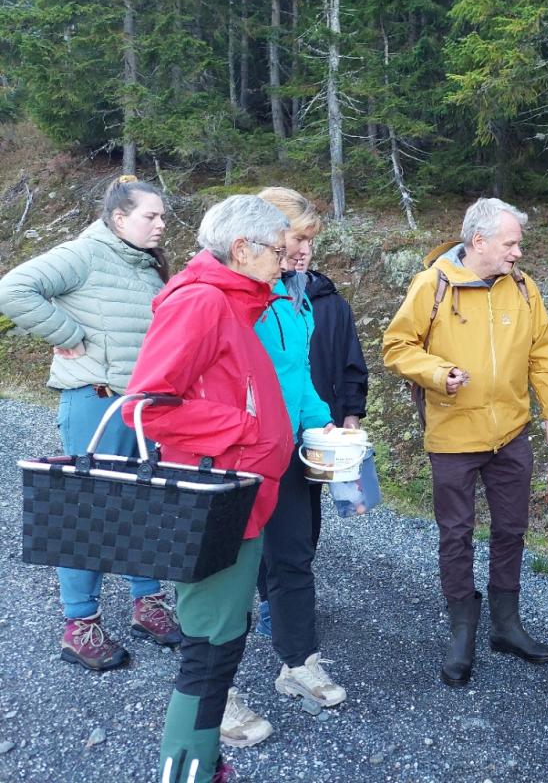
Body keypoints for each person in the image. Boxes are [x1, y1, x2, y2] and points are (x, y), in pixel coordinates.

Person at [124, 195, 295, 783]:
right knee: (211, 640)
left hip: (238, 494)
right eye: (278, 249)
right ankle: (188, 767)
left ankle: (203, 760)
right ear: (242, 249)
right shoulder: (200, 302)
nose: (288, 260)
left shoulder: (233, 304)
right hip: (212, 498)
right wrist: (247, 429)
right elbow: (145, 408)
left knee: (222, 634)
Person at [382, 197, 548, 687]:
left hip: (511, 434)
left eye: (519, 244)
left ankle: (506, 626)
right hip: (452, 436)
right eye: (511, 243)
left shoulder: (525, 290)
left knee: (511, 530)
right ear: (479, 241)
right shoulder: (433, 285)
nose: (518, 253)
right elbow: (397, 347)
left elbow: (541, 356)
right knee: (456, 533)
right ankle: (462, 630)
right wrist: (437, 373)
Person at [0, 175, 180, 670]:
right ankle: (80, 625)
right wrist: (68, 333)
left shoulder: (144, 265)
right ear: (120, 218)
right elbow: (13, 288)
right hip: (96, 402)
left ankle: (148, 604)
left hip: (144, 407)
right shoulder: (85, 252)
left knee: (144, 505)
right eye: (152, 215)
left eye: (162, 216)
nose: (162, 224)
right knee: (86, 513)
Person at [218, 187, 351, 750]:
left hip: (289, 456)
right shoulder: (228, 301)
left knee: (293, 561)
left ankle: (297, 663)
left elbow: (298, 382)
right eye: (295, 240)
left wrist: (324, 428)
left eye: (307, 241)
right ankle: (216, 693)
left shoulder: (296, 300)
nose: (302, 252)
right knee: (229, 577)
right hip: (237, 462)